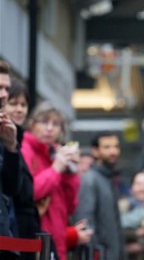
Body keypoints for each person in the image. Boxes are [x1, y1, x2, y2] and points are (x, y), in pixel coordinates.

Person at [21, 101, 92, 260]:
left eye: (56, 124)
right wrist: (56, 168)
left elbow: (70, 206)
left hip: (56, 243)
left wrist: (70, 172)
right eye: (44, 122)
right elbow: (30, 192)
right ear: (31, 124)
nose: (50, 128)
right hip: (36, 242)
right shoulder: (25, 148)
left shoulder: (54, 153)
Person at [73, 131, 127, 260]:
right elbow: (85, 222)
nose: (113, 152)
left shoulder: (108, 178)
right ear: (95, 151)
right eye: (107, 147)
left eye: (116, 147)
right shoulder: (90, 180)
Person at [4, 79, 40, 260]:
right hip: (12, 230)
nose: (19, 109)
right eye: (14, 103)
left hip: (23, 231)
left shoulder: (18, 140)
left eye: (24, 105)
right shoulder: (12, 140)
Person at [0, 60, 21, 260]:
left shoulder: (4, 130)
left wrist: (11, 147)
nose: (4, 95)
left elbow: (11, 188)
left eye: (6, 88)